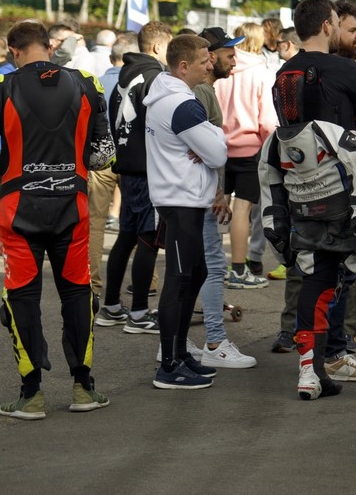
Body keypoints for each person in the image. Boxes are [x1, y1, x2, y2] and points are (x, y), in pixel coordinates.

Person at [0, 20, 115, 418]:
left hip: (20, 209)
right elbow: (104, 156)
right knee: (77, 293)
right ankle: (83, 389)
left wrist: (14, 165)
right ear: (50, 46)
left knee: (21, 298)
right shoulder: (87, 82)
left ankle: (31, 396)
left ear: (13, 51)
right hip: (72, 205)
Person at [268, 0, 356, 382]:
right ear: (325, 26)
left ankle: (311, 369)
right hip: (344, 188)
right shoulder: (346, 69)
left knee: (317, 275)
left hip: (301, 189)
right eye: (338, 23)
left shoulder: (283, 73)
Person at [145, 33, 230, 390]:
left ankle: (179, 354)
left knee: (194, 275)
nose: (210, 64)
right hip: (180, 200)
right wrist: (212, 137)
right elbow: (219, 155)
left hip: (183, 199)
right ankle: (168, 365)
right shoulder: (182, 104)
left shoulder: (173, 97)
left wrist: (209, 137)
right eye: (203, 61)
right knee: (179, 281)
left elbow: (212, 148)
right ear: (183, 67)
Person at [98, 22, 174, 334]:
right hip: (148, 169)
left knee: (127, 236)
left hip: (127, 165)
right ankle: (140, 312)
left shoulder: (123, 78)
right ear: (158, 47)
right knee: (147, 239)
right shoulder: (156, 78)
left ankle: (112, 305)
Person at [216, 22, 277, 290]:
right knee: (242, 211)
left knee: (217, 207)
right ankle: (238, 270)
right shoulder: (262, 73)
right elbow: (267, 120)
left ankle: (214, 264)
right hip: (250, 149)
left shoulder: (220, 68)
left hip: (217, 147)